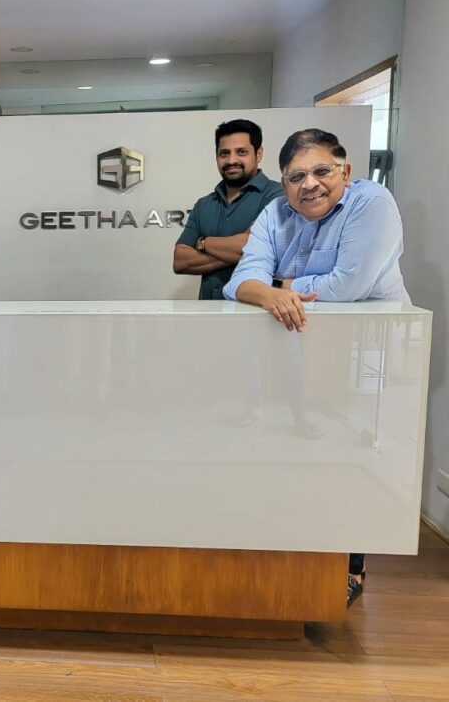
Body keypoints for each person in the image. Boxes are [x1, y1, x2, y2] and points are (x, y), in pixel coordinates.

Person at [223, 128, 411, 605]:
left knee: (351, 461)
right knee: (299, 459)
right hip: (298, 350)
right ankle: (299, 562)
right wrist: (268, 290)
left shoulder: (373, 204)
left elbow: (349, 286)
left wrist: (280, 283)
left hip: (363, 358)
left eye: (321, 171)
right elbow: (240, 280)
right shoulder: (275, 213)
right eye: (296, 176)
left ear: (345, 170)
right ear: (283, 182)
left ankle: (349, 568)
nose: (309, 184)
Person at [173, 119, 285, 299]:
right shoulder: (204, 204)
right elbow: (180, 261)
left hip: (254, 310)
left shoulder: (278, 196)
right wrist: (240, 251)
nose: (232, 160)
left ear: (258, 154)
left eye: (241, 152)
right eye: (224, 153)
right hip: (207, 312)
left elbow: (247, 245)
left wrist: (203, 243)